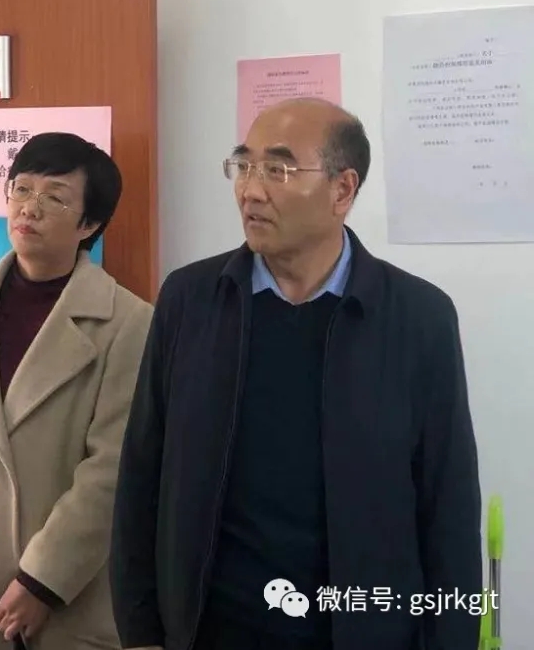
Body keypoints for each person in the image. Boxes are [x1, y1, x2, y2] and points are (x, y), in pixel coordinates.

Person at [110, 98, 482, 650]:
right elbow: (142, 475)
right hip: (212, 630)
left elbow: (448, 508)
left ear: (342, 190)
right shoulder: (191, 299)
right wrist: (140, 634)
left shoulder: (417, 317)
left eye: (277, 170)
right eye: (244, 166)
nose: (251, 190)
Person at [0, 132, 153, 650]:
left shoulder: (129, 323)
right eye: (22, 189)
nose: (30, 208)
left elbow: (113, 469)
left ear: (89, 224)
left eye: (55, 198)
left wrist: (42, 581)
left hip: (62, 604)